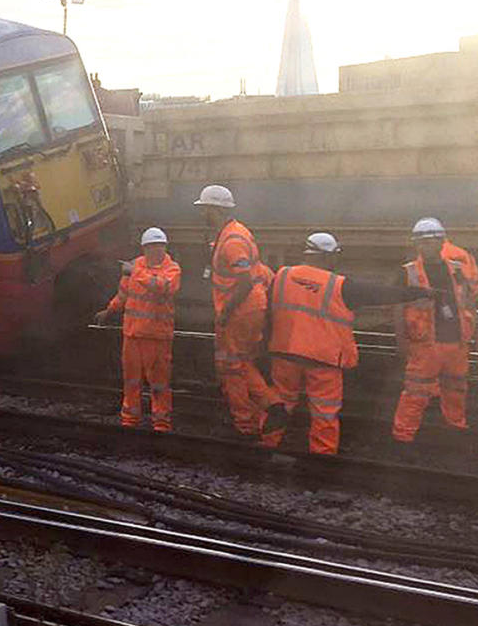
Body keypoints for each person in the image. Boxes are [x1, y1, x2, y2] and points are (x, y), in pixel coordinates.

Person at [263, 232, 435, 454]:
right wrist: (420, 292)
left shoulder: (282, 276)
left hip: (285, 354)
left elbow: (267, 312)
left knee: (280, 402)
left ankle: (267, 445)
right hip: (323, 360)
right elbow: (382, 294)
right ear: (327, 257)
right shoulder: (339, 285)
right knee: (324, 411)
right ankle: (322, 455)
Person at [193, 184, 286, 440]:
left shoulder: (232, 240)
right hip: (245, 309)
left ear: (214, 210)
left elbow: (243, 281)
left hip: (240, 312)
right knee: (237, 364)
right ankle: (253, 420)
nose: (202, 215)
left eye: (205, 209)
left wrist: (226, 312)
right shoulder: (234, 232)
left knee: (236, 366)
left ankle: (266, 409)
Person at [391, 217, 478, 446]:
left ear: (442, 242)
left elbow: (468, 303)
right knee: (416, 392)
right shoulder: (408, 272)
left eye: (433, 241)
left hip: (456, 342)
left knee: (456, 389)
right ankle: (403, 437)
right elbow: (398, 307)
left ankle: (456, 430)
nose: (428, 246)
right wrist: (401, 340)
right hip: (425, 344)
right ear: (416, 245)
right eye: (423, 242)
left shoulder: (456, 270)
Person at [95, 227, 182, 431]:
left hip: (157, 336)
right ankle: (130, 421)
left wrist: (136, 272)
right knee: (131, 381)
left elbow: (163, 286)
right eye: (152, 246)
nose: (156, 250)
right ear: (144, 248)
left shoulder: (172, 269)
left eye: (159, 246)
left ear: (165, 247)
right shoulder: (134, 267)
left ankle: (161, 423)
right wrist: (108, 311)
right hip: (133, 335)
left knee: (159, 383)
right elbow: (123, 295)